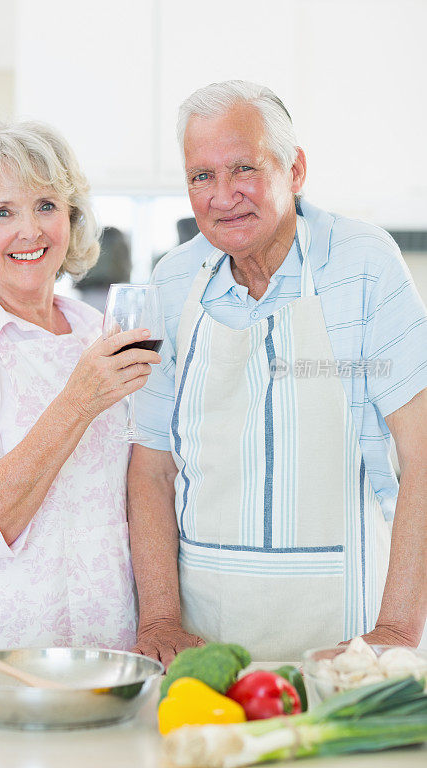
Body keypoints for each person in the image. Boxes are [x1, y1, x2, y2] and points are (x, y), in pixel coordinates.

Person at [129, 80, 427, 664]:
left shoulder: (366, 265)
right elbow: (151, 468)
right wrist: (160, 617)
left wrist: (395, 631)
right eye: (201, 176)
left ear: (295, 171)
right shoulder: (171, 282)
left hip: (348, 637)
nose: (223, 196)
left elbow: (421, 454)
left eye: (244, 168)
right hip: (203, 643)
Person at [0, 120, 161, 656]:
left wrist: (159, 617)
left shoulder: (98, 331)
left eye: (45, 205)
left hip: (105, 650)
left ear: (71, 216)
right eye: (2, 212)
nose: (30, 231)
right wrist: (77, 402)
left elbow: (145, 488)